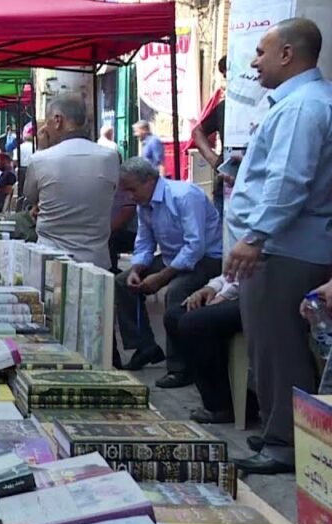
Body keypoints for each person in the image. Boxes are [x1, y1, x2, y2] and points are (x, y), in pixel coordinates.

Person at [225, 18, 332, 475]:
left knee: (277, 347)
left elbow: (288, 181)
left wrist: (255, 237)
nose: (254, 62)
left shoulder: (303, 107)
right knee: (274, 345)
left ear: (288, 54)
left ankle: (284, 443)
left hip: (284, 249)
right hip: (287, 246)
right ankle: (279, 429)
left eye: (261, 52)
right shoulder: (301, 103)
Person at [114, 157, 223, 378]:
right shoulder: (144, 206)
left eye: (132, 190)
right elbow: (144, 242)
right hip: (171, 257)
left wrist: (163, 276)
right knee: (122, 282)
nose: (130, 196)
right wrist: (137, 268)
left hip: (207, 258)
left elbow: (195, 246)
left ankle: (180, 366)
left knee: (176, 292)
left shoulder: (183, 196)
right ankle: (144, 345)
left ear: (149, 181)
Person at [24, 93, 119, 270]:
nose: (46, 128)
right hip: (96, 262)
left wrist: (42, 149)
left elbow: (31, 197)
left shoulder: (41, 159)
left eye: (48, 122)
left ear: (58, 120)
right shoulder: (110, 157)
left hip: (50, 260)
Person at [165, 276, 244, 424]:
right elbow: (227, 275)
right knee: (174, 315)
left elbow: (249, 278)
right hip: (228, 292)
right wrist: (209, 288)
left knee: (194, 323)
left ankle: (220, 405)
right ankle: (224, 392)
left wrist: (224, 296)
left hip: (249, 297)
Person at [192, 56, 228, 216]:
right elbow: (197, 131)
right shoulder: (224, 107)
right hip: (225, 185)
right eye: (226, 76)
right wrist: (214, 159)